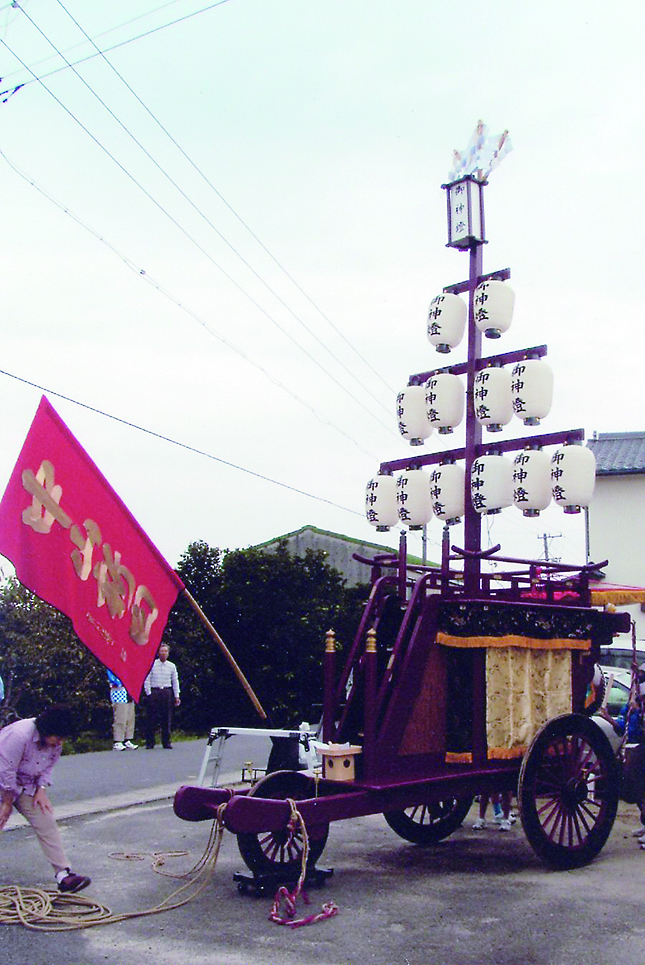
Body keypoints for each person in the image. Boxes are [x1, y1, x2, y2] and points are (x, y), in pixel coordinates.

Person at [0, 704, 91, 893]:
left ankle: (63, 875)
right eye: (57, 738)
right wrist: (7, 803)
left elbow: (48, 765)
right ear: (46, 730)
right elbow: (5, 771)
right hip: (2, 780)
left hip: (26, 783)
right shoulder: (19, 735)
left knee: (45, 818)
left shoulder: (56, 740)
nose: (59, 743)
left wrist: (41, 788)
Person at [599, 662, 645, 847]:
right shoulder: (631, 704)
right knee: (634, 789)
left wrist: (640, 711)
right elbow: (621, 728)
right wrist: (607, 717)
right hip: (631, 748)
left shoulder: (639, 705)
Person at [143, 644, 180, 750]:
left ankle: (166, 741)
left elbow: (175, 681)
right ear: (158, 653)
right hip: (155, 691)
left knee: (166, 717)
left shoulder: (171, 666)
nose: (163, 653)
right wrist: (148, 693)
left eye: (165, 651)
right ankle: (150, 742)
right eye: (161, 651)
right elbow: (147, 679)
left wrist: (176, 695)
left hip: (166, 692)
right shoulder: (152, 664)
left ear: (168, 653)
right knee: (151, 717)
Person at [107, 669, 138, 751]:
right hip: (119, 691)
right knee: (120, 716)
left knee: (130, 716)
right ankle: (118, 740)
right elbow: (112, 678)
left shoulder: (129, 665)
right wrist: (121, 682)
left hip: (129, 691)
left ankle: (128, 739)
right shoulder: (112, 665)